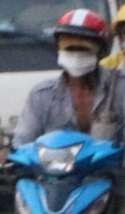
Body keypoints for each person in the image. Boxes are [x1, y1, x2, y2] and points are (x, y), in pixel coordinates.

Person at [9, 9, 125, 147]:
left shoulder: (120, 87)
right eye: (69, 47)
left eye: (84, 48)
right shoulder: (42, 94)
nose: (75, 54)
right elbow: (23, 139)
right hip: (54, 167)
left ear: (101, 51)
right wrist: (13, 154)